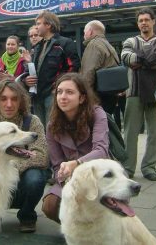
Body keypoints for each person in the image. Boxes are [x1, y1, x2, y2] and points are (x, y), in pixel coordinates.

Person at [0, 80, 49, 233]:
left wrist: (10, 169)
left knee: (36, 178)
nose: (9, 104)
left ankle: (27, 216)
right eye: (4, 99)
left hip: (20, 182)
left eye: (14, 99)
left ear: (21, 101)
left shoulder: (33, 121)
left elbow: (41, 155)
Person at [41, 73, 109, 223]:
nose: (63, 97)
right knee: (50, 206)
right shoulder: (52, 125)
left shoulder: (97, 114)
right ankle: (78, 228)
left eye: (69, 92)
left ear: (82, 98)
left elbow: (101, 150)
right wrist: (66, 179)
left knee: (97, 205)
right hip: (70, 179)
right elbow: (57, 164)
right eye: (59, 92)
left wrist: (76, 164)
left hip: (97, 174)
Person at [121, 7, 156, 181]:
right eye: (140, 20)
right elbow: (126, 57)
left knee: (155, 132)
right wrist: (150, 58)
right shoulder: (130, 40)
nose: (143, 23)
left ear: (154, 21)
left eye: (147, 20)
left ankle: (149, 167)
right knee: (130, 132)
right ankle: (127, 168)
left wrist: (140, 59)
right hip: (133, 92)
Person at [24, 11, 81, 127]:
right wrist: (26, 78)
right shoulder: (37, 47)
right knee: (40, 131)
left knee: (55, 129)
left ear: (48, 25)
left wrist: (60, 88)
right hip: (37, 95)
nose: (36, 27)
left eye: (39, 23)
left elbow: (74, 67)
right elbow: (33, 70)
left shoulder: (65, 43)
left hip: (53, 95)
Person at [80, 20, 120, 114]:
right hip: (110, 95)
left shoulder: (93, 45)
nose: (84, 35)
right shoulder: (108, 45)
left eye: (84, 32)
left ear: (90, 31)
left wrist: (84, 95)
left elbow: (88, 73)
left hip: (97, 97)